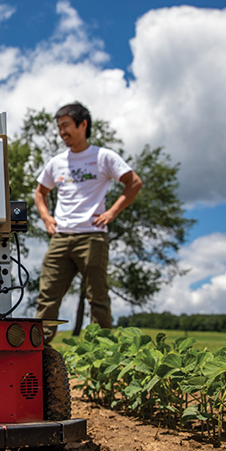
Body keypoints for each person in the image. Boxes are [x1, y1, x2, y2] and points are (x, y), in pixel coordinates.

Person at [35, 103, 142, 342]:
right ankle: (38, 351)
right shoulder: (57, 162)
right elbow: (40, 192)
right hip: (61, 237)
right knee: (47, 295)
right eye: (59, 127)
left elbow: (134, 183)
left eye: (66, 125)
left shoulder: (103, 157)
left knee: (98, 297)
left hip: (92, 236)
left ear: (83, 124)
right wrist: (46, 217)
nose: (62, 132)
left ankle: (102, 355)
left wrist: (112, 212)